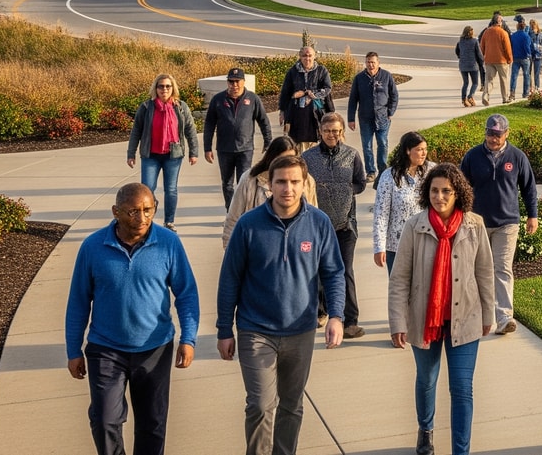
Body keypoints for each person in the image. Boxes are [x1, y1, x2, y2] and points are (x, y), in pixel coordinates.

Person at [217, 154, 346, 455]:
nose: (287, 188)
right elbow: (230, 278)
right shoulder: (249, 225)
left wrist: (337, 315)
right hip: (255, 329)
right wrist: (225, 328)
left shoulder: (319, 223)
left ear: (304, 184)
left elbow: (334, 273)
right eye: (281, 182)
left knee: (291, 405)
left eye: (294, 182)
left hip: (300, 329)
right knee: (260, 405)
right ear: (269, 185)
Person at [66, 183, 199, 455]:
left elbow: (186, 294)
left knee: (152, 423)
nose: (142, 219)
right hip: (105, 349)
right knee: (105, 420)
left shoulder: (168, 243)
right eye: (133, 212)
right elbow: (78, 302)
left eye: (148, 210)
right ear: (116, 212)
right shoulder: (93, 247)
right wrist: (73, 350)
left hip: (155, 348)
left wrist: (188, 338)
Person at [389, 164, 495, 455]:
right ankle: (426, 429)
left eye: (446, 191)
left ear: (458, 193)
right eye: (434, 190)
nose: (440, 196)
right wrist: (398, 320)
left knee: (462, 389)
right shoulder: (415, 225)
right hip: (425, 319)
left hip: (467, 318)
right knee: (427, 380)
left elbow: (485, 272)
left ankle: (461, 450)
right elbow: (399, 278)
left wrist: (489, 313)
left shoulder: (474, 225)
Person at [458, 113, 537, 335]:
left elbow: (529, 188)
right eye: (490, 134)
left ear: (507, 134)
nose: (493, 139)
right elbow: (461, 188)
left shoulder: (517, 157)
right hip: (477, 223)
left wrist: (533, 216)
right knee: (476, 270)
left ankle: (504, 318)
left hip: (507, 223)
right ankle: (475, 315)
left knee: (502, 269)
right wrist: (459, 216)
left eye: (498, 135)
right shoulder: (472, 157)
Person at [303, 113, 367, 339]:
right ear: (320, 131)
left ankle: (351, 320)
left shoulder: (352, 155)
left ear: (342, 133)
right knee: (316, 270)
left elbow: (360, 182)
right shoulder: (308, 157)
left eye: (336, 131)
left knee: (345, 271)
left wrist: (346, 191)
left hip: (346, 224)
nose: (332, 135)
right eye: (328, 130)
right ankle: (319, 312)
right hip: (317, 225)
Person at [125, 73, 200, 231]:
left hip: (173, 155)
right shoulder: (146, 107)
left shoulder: (181, 107)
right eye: (161, 86)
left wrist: (194, 152)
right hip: (151, 155)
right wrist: (130, 153)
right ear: (156, 88)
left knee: (171, 189)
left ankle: (169, 222)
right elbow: (136, 131)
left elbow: (190, 131)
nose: (164, 89)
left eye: (168, 86)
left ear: (173, 88)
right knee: (147, 189)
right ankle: (148, 220)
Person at [222, 137, 318, 250]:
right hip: (257, 249)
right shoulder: (250, 180)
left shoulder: (307, 181)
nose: (285, 164)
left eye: (290, 159)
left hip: (294, 249)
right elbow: (233, 218)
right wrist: (231, 252)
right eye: (281, 159)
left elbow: (313, 220)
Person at [204, 67, 275, 208]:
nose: (234, 85)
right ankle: (230, 211)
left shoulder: (252, 99)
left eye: (237, 81)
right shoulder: (218, 100)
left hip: (245, 149)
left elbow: (263, 120)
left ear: (243, 82)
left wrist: (268, 142)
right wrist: (207, 148)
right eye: (231, 81)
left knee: (244, 182)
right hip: (225, 149)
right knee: (227, 184)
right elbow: (209, 124)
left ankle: (243, 211)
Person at [373, 131, 431, 273]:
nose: (423, 153)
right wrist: (379, 246)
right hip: (397, 246)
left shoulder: (432, 171)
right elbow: (381, 213)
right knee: (399, 291)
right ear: (407, 151)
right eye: (419, 149)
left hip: (426, 243)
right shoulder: (389, 176)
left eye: (425, 149)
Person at [347, 52, 399, 179]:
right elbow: (353, 99)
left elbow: (394, 95)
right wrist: (351, 119)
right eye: (368, 62)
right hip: (365, 117)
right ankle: (370, 171)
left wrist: (390, 112)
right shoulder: (359, 78)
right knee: (367, 145)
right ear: (365, 63)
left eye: (373, 62)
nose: (371, 65)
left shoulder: (386, 76)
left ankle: (382, 170)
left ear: (378, 63)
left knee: (382, 143)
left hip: (382, 117)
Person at [278, 46, 331, 151]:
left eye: (310, 55)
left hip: (316, 112)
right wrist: (282, 111)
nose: (307, 58)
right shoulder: (293, 72)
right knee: (296, 142)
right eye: (304, 56)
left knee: (315, 140)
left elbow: (327, 88)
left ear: (314, 56)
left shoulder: (321, 71)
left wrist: (310, 93)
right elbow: (285, 92)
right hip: (297, 113)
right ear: (300, 57)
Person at [477, 17, 512, 106]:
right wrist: (509, 59)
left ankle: (486, 96)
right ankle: (505, 98)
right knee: (504, 79)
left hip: (489, 59)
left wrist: (484, 56)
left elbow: (482, 46)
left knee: (489, 80)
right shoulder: (503, 33)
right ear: (499, 22)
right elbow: (507, 48)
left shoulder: (486, 32)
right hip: (501, 60)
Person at [454, 26, 484, 108]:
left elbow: (457, 51)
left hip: (463, 65)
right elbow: (479, 54)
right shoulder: (474, 41)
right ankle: (470, 96)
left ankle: (464, 99)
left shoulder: (460, 42)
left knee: (465, 83)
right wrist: (481, 62)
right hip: (472, 65)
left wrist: (461, 57)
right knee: (475, 83)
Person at [508, 18, 533, 100]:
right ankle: (525, 93)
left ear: (517, 27)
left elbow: (510, 46)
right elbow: (527, 47)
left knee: (514, 76)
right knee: (526, 75)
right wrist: (529, 54)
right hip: (525, 58)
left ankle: (512, 93)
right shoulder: (526, 36)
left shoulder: (513, 36)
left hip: (515, 57)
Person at [528, 20, 542, 89]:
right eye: (531, 25)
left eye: (533, 25)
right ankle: (530, 87)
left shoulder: (541, 34)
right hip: (530, 55)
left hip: (538, 56)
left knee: (536, 73)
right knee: (528, 73)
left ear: (537, 25)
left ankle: (537, 87)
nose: (532, 27)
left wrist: (536, 47)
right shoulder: (528, 34)